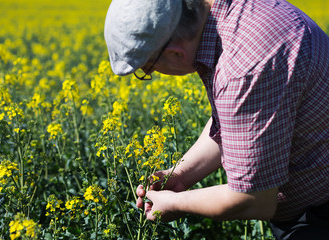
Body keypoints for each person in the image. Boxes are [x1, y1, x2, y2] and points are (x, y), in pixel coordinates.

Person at [104, 0, 329, 239]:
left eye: (147, 69)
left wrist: (177, 203)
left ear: (175, 53)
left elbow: (254, 199)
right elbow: (237, 125)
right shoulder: (233, 15)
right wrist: (179, 175)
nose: (152, 74)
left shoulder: (243, 70)